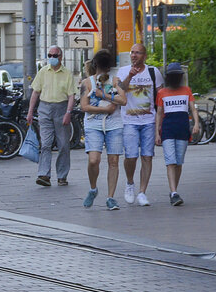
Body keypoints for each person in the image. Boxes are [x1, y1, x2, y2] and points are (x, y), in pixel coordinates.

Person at [115, 43, 163, 207]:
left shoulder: (153, 72)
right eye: (132, 53)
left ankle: (142, 192)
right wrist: (130, 75)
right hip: (129, 121)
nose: (134, 55)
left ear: (145, 56)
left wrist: (160, 122)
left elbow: (160, 97)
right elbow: (120, 90)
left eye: (138, 53)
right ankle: (130, 183)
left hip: (149, 120)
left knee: (147, 156)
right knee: (131, 156)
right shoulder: (122, 71)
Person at [80, 49, 127, 210]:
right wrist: (105, 109)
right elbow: (84, 106)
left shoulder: (115, 81)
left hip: (114, 125)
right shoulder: (87, 82)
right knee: (94, 159)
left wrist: (105, 96)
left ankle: (111, 197)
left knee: (113, 161)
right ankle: (93, 188)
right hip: (94, 124)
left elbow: (123, 100)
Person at [26, 45, 77, 187]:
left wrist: (68, 112)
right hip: (44, 108)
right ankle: (44, 175)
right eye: (50, 55)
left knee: (63, 144)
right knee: (46, 143)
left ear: (61, 57)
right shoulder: (43, 71)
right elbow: (35, 92)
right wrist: (30, 112)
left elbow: (71, 95)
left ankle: (62, 176)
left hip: (61, 108)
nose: (52, 58)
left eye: (55, 55)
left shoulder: (67, 73)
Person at [155, 62, 200, 207]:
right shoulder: (162, 93)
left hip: (182, 129)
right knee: (171, 161)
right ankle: (173, 192)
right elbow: (159, 113)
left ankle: (174, 190)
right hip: (168, 130)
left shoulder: (186, 90)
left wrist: (196, 124)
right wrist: (157, 132)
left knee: (179, 162)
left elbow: (193, 109)